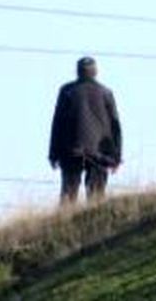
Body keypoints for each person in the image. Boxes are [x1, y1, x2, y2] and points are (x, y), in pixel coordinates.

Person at [48, 57, 122, 204]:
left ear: (77, 72)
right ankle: (95, 225)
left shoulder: (67, 91)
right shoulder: (106, 93)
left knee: (68, 196)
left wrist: (53, 153)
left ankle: (65, 225)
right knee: (96, 199)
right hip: (99, 153)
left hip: (71, 151)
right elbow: (115, 127)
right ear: (96, 72)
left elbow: (57, 124)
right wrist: (116, 157)